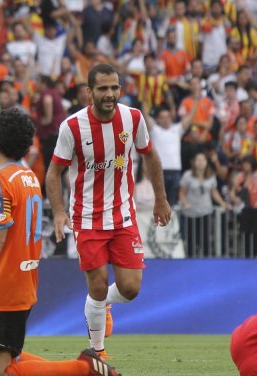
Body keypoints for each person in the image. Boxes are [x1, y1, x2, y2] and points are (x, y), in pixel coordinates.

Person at [0, 107, 124, 376]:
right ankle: (78, 365)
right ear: (28, 145)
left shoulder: (0, 182)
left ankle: (82, 368)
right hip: (21, 280)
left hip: (2, 287)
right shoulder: (28, 176)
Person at [44, 63, 171, 359]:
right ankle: (98, 351)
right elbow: (53, 173)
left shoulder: (133, 118)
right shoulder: (72, 127)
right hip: (87, 218)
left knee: (131, 288)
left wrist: (161, 199)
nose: (110, 94)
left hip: (124, 216)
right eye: (102, 88)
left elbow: (150, 155)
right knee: (97, 286)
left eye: (114, 88)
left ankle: (103, 306)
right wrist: (59, 212)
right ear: (89, 92)